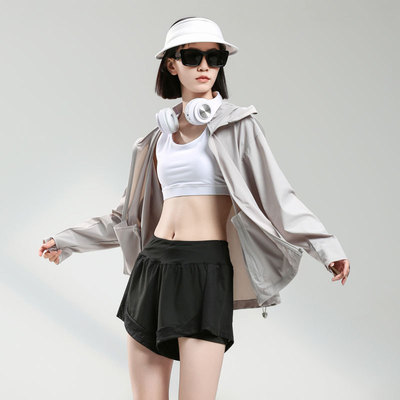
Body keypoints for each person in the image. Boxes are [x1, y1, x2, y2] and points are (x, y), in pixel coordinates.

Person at [39, 16, 350, 400]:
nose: (205, 66)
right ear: (172, 65)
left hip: (205, 269)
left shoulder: (239, 126)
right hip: (152, 267)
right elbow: (125, 217)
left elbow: (278, 196)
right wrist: (66, 241)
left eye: (215, 57)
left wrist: (326, 247)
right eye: (192, 56)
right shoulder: (156, 139)